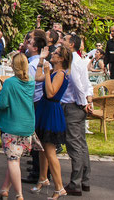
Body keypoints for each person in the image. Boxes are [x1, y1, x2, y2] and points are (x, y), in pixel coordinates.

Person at [0, 52, 36, 200]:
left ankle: (19, 195)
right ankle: (5, 189)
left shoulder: (11, 83)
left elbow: (2, 103)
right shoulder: (31, 82)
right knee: (14, 159)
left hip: (12, 125)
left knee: (13, 160)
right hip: (27, 125)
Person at [33, 45, 70, 199]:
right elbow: (37, 77)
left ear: (61, 59)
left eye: (55, 53)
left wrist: (48, 73)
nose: (52, 54)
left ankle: (59, 187)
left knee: (50, 151)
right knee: (42, 147)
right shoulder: (54, 72)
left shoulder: (60, 74)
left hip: (51, 112)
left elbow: (50, 92)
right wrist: (41, 59)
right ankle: (43, 178)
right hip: (44, 109)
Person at [61, 35, 93, 197]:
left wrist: (82, 102)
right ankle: (85, 180)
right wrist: (89, 100)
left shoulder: (72, 61)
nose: (62, 41)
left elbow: (77, 83)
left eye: (65, 40)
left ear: (71, 44)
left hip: (73, 105)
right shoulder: (80, 60)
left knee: (74, 145)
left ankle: (75, 183)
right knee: (81, 143)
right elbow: (87, 84)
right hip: (79, 105)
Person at [23, 29, 47, 185]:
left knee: (36, 139)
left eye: (30, 43)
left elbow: (28, 86)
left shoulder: (32, 65)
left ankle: (37, 172)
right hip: (40, 101)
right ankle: (41, 171)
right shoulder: (44, 62)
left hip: (35, 102)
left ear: (35, 48)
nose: (27, 44)